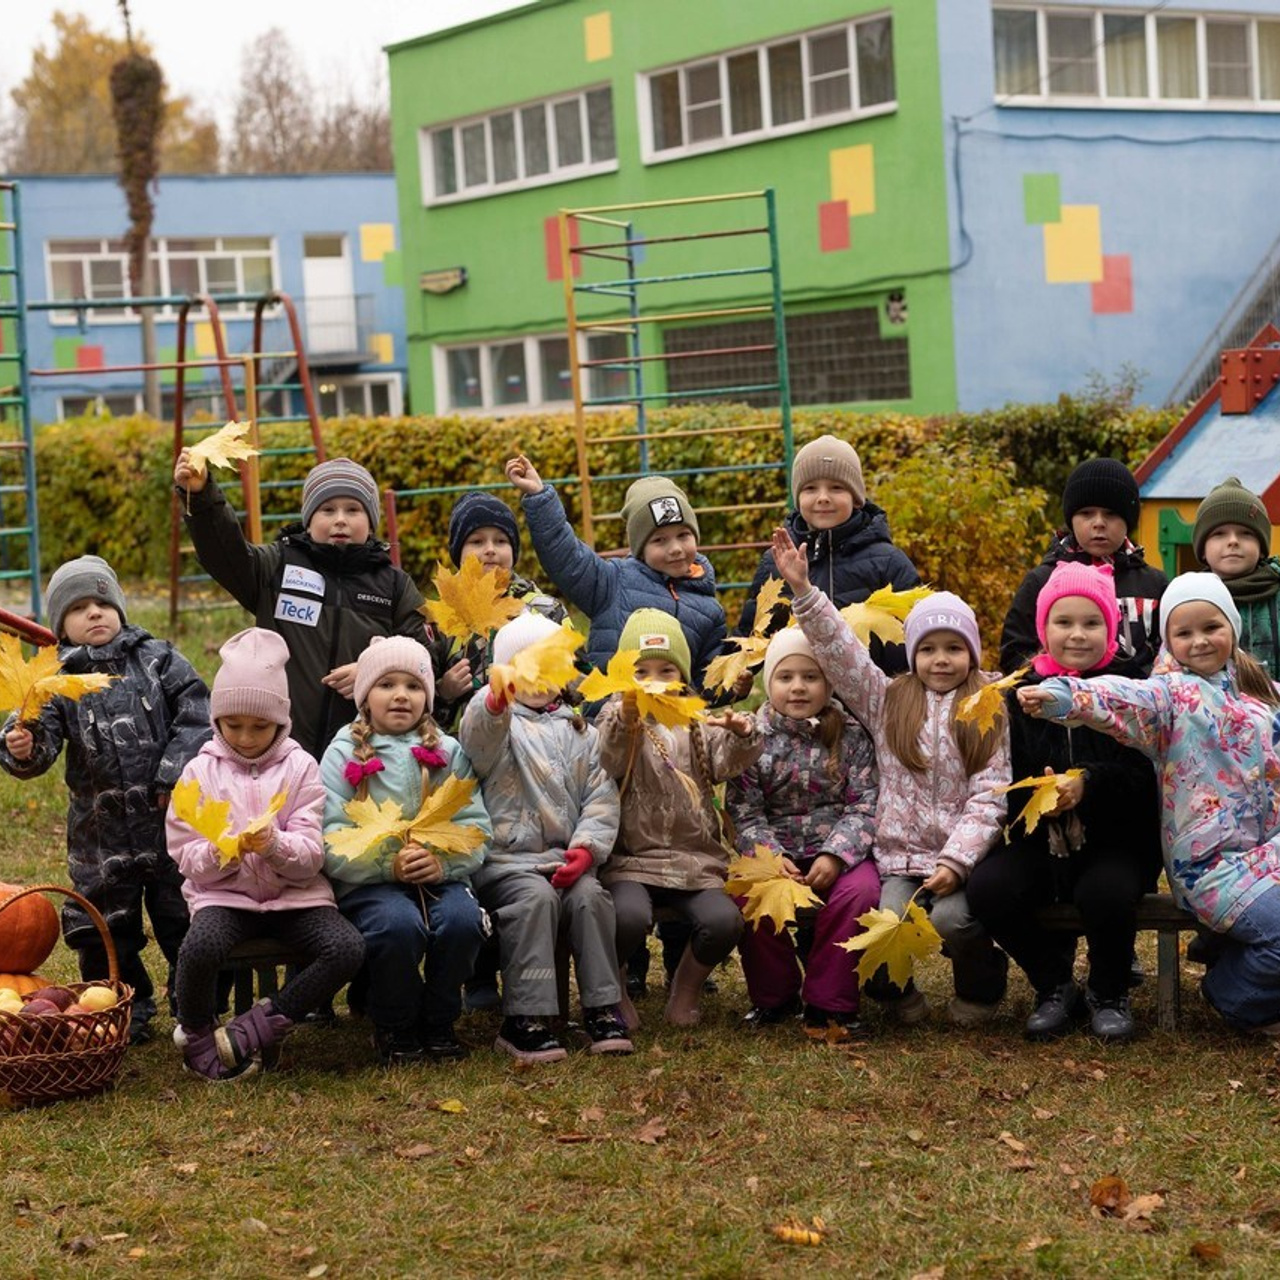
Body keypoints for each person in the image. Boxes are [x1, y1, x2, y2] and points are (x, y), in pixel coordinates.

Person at [1017, 573, 1280, 1036]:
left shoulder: (1264, 692)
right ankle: (1232, 995)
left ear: (1232, 628)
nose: (1199, 641)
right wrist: (1062, 695)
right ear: (1168, 640)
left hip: (1269, 853)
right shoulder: (1167, 697)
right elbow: (1115, 697)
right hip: (1210, 866)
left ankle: (1237, 956)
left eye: (1211, 627)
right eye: (1184, 632)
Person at [771, 528, 1011, 1026]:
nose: (940, 659)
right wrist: (804, 592)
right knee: (881, 923)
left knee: (953, 920)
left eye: (953, 648)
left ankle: (980, 987)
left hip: (961, 858)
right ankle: (895, 993)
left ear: (972, 653)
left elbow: (990, 795)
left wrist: (957, 861)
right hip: (899, 859)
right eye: (928, 648)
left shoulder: (986, 707)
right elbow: (843, 655)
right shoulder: (888, 700)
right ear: (912, 653)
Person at [0, 555, 209, 1044]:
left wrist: (172, 774)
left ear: (119, 609)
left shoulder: (158, 658)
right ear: (60, 627)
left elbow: (197, 715)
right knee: (103, 930)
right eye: (78, 609)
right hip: (100, 835)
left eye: (102, 603)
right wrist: (23, 746)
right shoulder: (55, 679)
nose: (94, 613)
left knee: (182, 917)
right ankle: (122, 1007)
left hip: (168, 822)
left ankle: (196, 1003)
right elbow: (37, 733)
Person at [966, 564, 1162, 1043]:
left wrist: (1087, 784)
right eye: (1064, 622)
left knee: (1105, 892)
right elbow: (1001, 776)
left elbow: (1144, 776)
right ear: (1043, 628)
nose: (1077, 634)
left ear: (1110, 629)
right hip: (1042, 840)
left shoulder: (1130, 688)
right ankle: (1053, 983)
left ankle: (1108, 991)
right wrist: (1039, 794)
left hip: (1115, 840)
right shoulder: (1020, 694)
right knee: (990, 888)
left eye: (1091, 623)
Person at [167, 628, 365, 1081]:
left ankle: (265, 1021)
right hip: (226, 897)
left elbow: (312, 854)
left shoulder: (301, 767)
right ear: (217, 719)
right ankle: (196, 1030)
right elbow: (184, 852)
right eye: (233, 725)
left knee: (346, 948)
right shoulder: (199, 772)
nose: (246, 737)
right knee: (199, 947)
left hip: (296, 896)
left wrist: (275, 846)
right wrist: (224, 852)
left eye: (260, 727)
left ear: (281, 721)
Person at [174, 453, 430, 760]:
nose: (340, 519)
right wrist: (201, 496)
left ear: (371, 522)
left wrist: (374, 670)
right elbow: (224, 552)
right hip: (280, 754)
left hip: (363, 756)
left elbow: (424, 653)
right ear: (308, 520)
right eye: (327, 509)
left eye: (353, 509)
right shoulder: (277, 566)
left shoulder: (394, 585)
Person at [458, 611, 629, 1063]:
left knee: (591, 900)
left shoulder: (582, 732)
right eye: (525, 668)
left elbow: (600, 798)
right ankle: (525, 1017)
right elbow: (476, 742)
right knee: (535, 902)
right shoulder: (500, 724)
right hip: (507, 863)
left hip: (566, 859)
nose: (537, 679)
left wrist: (586, 849)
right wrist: (492, 702)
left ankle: (602, 1007)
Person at [321, 636, 491, 1065]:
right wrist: (387, 865)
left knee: (462, 922)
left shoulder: (448, 752)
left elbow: (474, 825)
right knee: (397, 926)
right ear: (364, 697)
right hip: (370, 881)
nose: (401, 695)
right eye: (386, 685)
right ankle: (395, 1022)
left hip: (440, 876)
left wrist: (443, 863)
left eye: (414, 686)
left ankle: (439, 1019)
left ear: (428, 697)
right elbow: (331, 833)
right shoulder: (342, 753)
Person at [595, 610, 764, 1028]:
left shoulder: (695, 721)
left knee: (724, 922)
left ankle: (685, 987)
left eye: (666, 670)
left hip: (693, 860)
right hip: (633, 859)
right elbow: (608, 759)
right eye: (641, 672)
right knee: (626, 917)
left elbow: (724, 762)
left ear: (683, 676)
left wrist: (741, 735)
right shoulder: (617, 718)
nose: (654, 680)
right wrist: (624, 721)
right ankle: (615, 987)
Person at [725, 626, 880, 1039]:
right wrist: (772, 857)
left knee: (861, 893)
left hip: (838, 853)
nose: (798, 687)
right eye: (786, 676)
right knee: (746, 893)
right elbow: (744, 810)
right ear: (769, 683)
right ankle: (775, 996)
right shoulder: (753, 738)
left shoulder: (850, 735)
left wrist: (836, 855)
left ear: (829, 682)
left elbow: (865, 802)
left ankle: (830, 1002)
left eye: (811, 677)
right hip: (776, 854)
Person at [504, 454, 726, 691]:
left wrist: (736, 687)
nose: (675, 549)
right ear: (640, 548)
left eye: (683, 535)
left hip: (670, 713)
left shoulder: (709, 610)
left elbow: (708, 684)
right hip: (610, 710)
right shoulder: (612, 582)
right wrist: (539, 496)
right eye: (659, 540)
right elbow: (565, 556)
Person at [736, 434, 920, 673]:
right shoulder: (775, 563)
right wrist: (731, 682)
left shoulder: (888, 563)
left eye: (836, 488)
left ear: (856, 499)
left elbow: (919, 640)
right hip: (800, 693)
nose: (823, 498)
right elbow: (751, 639)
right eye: (810, 488)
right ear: (798, 498)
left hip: (875, 693)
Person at [1001, 458, 1168, 678]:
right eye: (1087, 513)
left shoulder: (1154, 585)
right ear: (1071, 519)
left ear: (1128, 520)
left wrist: (1133, 685)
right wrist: (1053, 685)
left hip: (1136, 697)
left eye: (1111, 513)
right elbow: (1014, 654)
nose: (1099, 523)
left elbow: (1170, 652)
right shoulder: (1042, 581)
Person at [430, 490, 568, 733]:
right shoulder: (443, 617)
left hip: (539, 738)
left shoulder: (545, 610)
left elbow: (576, 681)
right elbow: (419, 707)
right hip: (467, 744)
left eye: (501, 541)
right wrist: (445, 692)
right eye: (477, 541)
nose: (490, 549)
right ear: (458, 552)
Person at [1192, 476, 1280, 677]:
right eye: (1219, 533)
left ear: (1262, 547)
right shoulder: (1191, 600)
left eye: (1246, 533)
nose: (1233, 541)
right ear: (1203, 549)